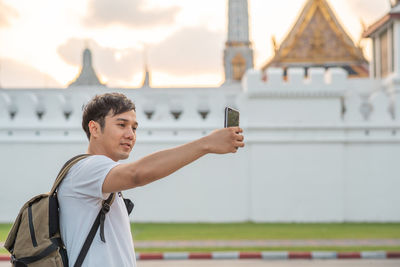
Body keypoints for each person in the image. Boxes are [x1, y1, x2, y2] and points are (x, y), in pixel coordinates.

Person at [58, 92, 245, 267]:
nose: (130, 134)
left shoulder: (102, 176)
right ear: (95, 128)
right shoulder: (86, 169)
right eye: (121, 125)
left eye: (134, 127)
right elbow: (137, 174)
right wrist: (206, 144)